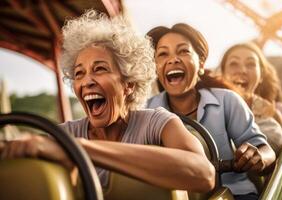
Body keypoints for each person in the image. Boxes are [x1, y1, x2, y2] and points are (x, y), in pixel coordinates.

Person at [0, 10, 215, 192]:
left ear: (128, 84)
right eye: (78, 74)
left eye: (100, 69)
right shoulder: (63, 134)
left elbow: (203, 174)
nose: (87, 81)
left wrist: (80, 149)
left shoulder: (157, 122)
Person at [147, 23, 276, 199]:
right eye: (163, 54)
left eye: (183, 51)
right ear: (155, 67)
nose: (173, 59)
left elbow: (265, 151)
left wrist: (258, 155)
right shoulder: (145, 110)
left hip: (233, 194)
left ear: (200, 64)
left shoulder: (227, 100)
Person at [219, 42, 282, 156]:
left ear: (261, 76)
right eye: (234, 63)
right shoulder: (209, 110)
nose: (242, 70)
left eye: (250, 64)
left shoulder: (273, 115)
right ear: (223, 73)